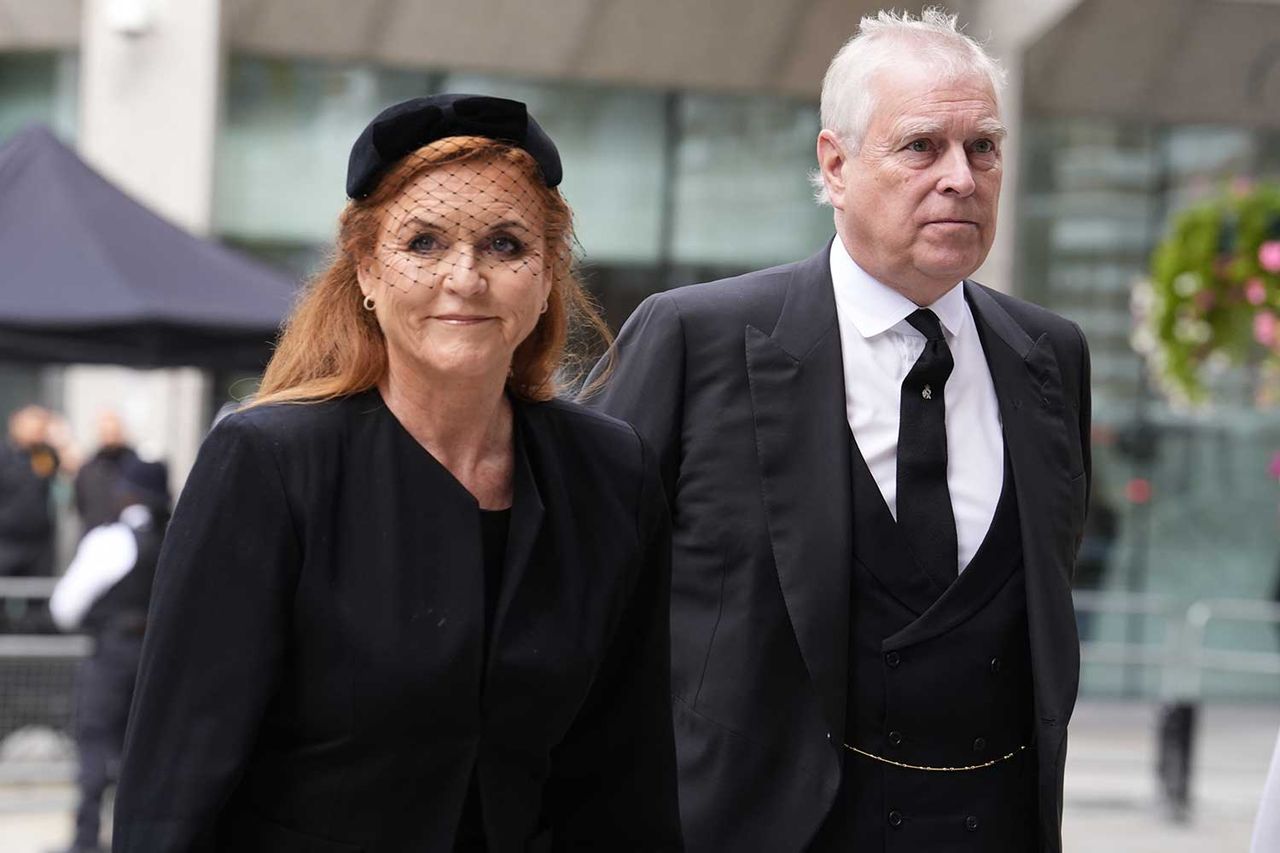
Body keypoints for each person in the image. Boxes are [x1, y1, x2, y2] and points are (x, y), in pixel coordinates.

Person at [112, 94, 681, 853]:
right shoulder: (269, 463)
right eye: (424, 243)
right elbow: (175, 779)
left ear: (548, 277)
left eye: (506, 246)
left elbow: (626, 772)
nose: (465, 277)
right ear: (367, 272)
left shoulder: (611, 473)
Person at [588, 10, 1090, 853]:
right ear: (836, 163)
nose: (961, 178)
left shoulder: (1052, 355)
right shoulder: (693, 339)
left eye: (985, 148)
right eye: (922, 146)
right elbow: (585, 604)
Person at [49, 456, 170, 853]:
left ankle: (87, 840)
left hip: (113, 653)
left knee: (96, 745)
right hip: (162, 660)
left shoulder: (111, 540)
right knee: (150, 750)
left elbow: (65, 608)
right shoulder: (179, 536)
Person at [0, 405, 64, 577]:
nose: (36, 431)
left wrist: (56, 434)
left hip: (39, 544)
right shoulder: (3, 455)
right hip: (5, 541)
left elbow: (70, 464)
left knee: (39, 597)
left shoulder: (45, 454)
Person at [73, 410, 138, 534]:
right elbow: (81, 506)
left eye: (113, 432)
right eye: (105, 432)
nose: (110, 437)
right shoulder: (87, 470)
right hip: (96, 537)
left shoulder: (137, 468)